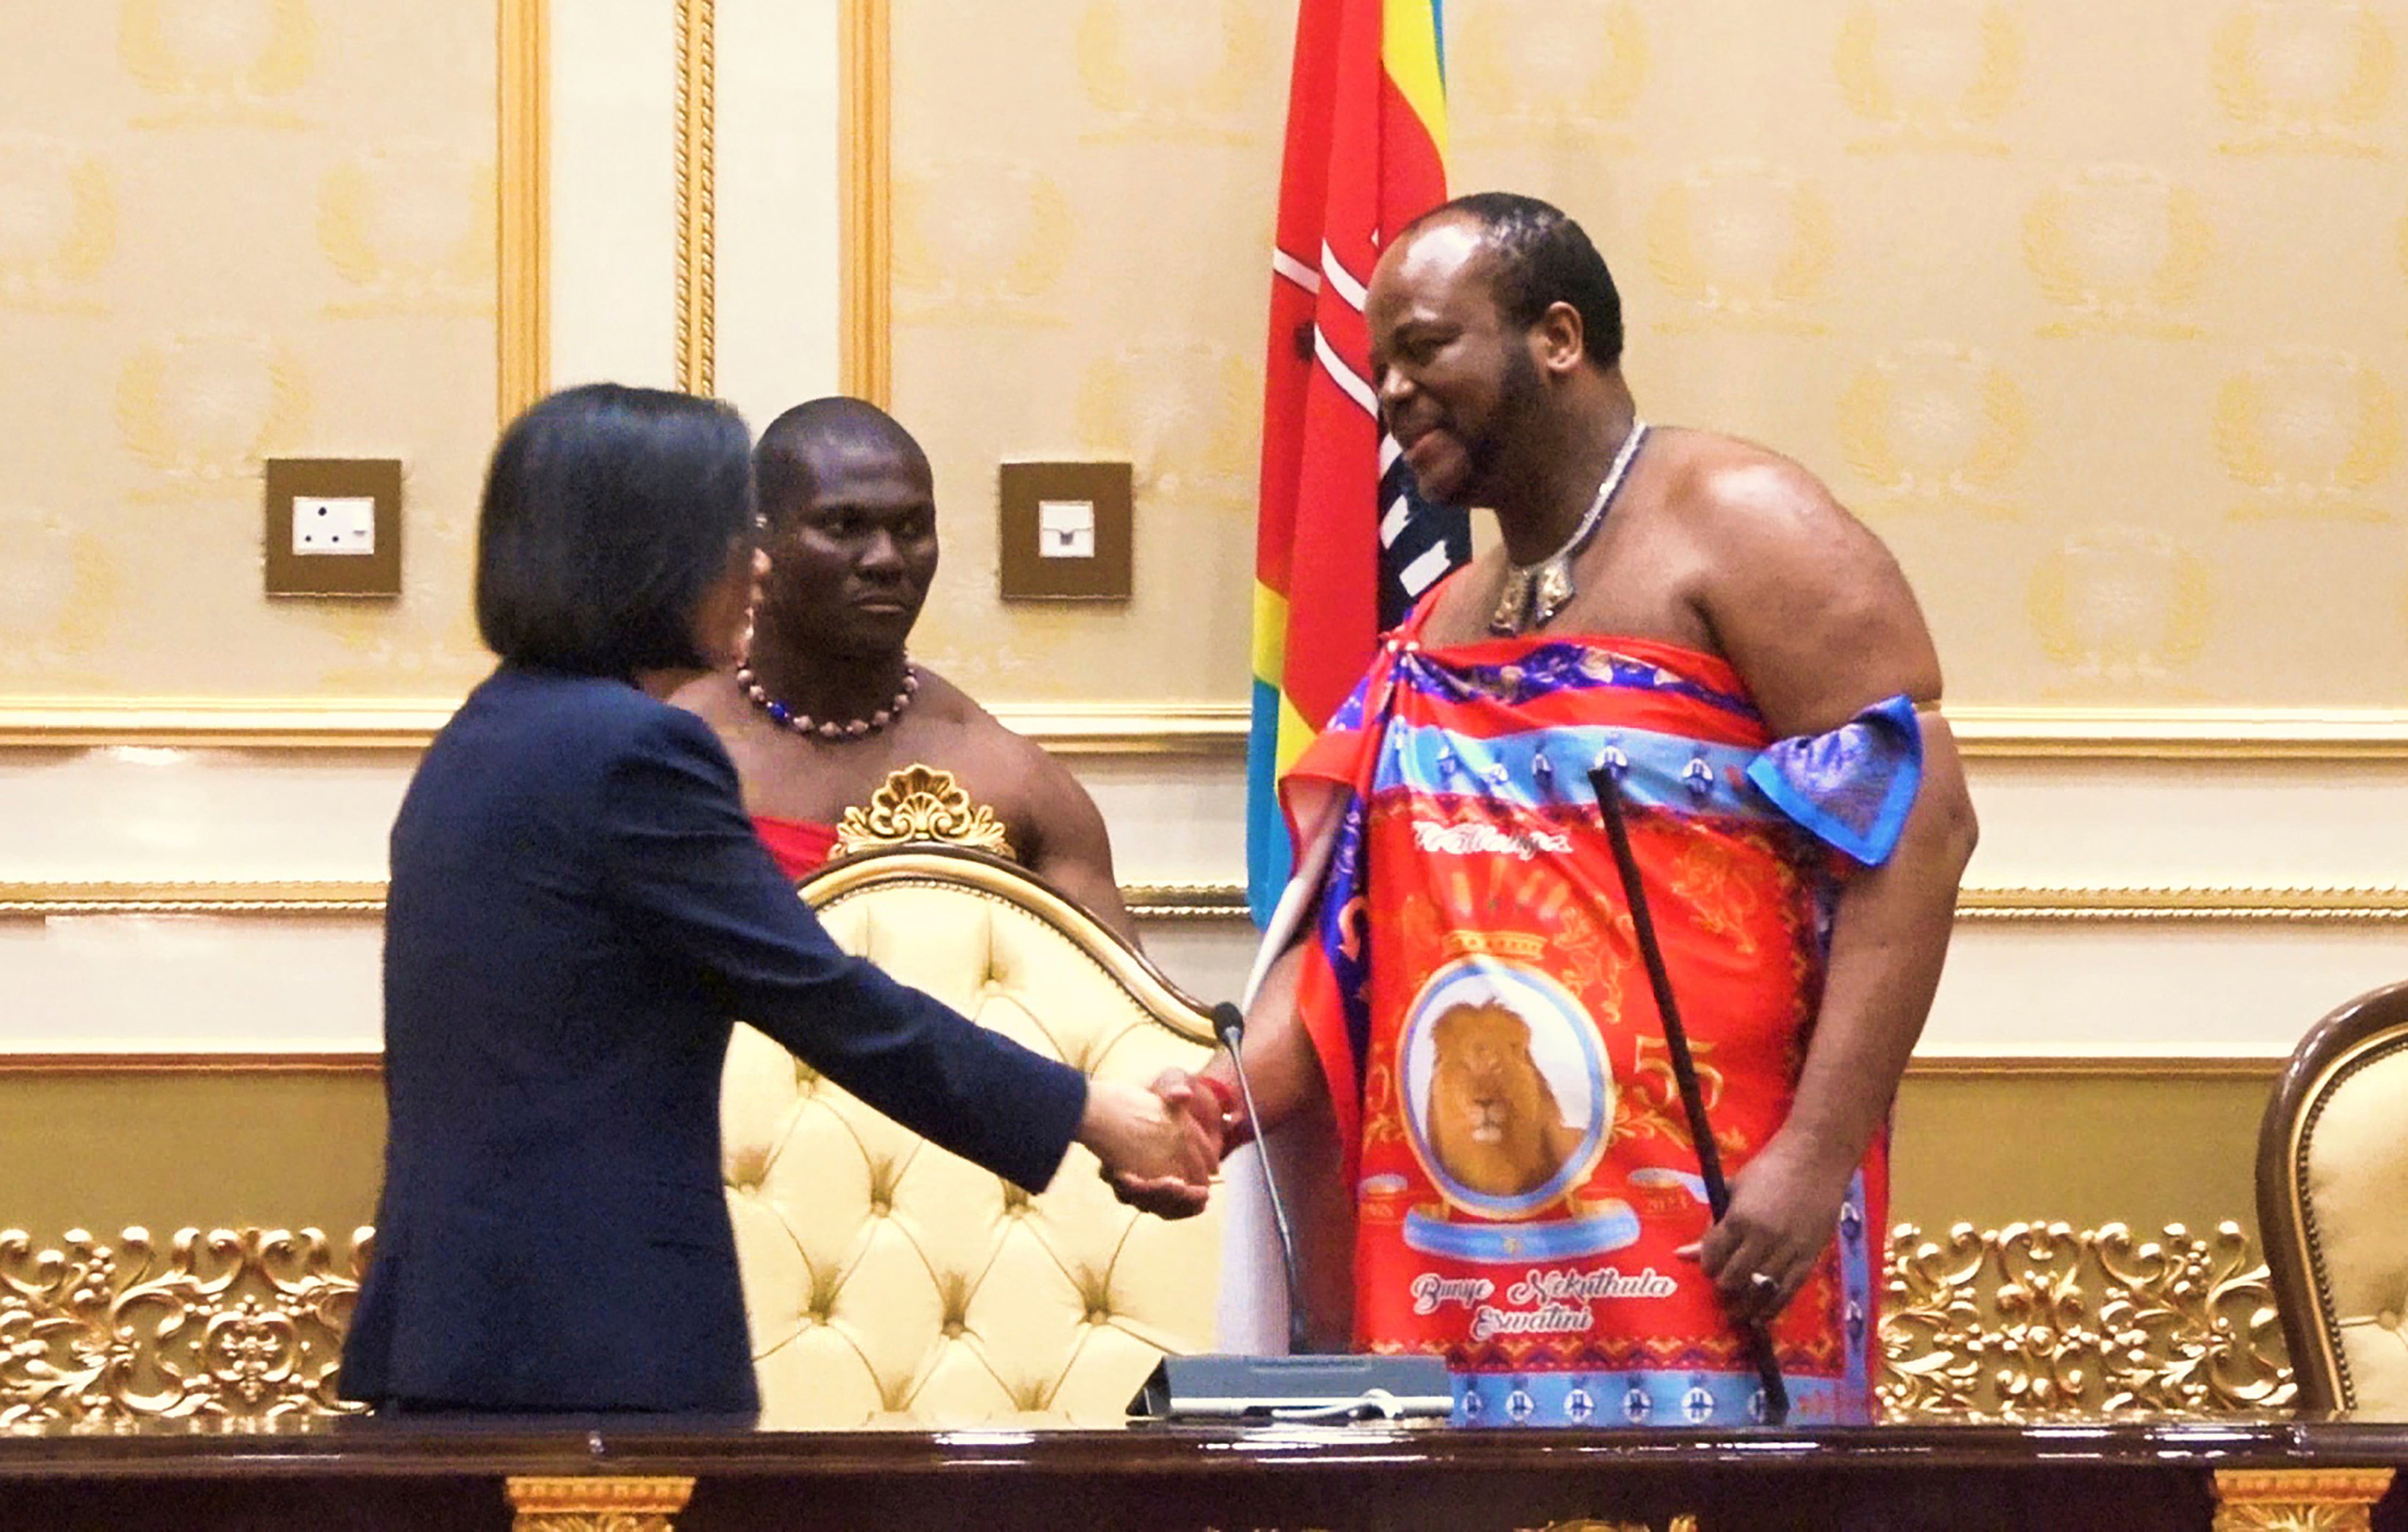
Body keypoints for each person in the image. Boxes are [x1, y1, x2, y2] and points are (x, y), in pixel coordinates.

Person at [1122, 193, 1978, 1428]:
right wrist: (1221, 1099)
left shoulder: (1745, 527)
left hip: (1709, 1239)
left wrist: (1813, 1155)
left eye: (1424, 347)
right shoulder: (1437, 625)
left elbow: (1918, 832)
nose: (1392, 391)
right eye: (1379, 364)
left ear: (1558, 337)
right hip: (1454, 1279)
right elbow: (1348, 954)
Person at [339, 384, 1211, 1417]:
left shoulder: (490, 731)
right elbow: (822, 993)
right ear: (645, 554)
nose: (750, 568)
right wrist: (1092, 1113)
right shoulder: (634, 750)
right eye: (726, 535)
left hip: (469, 1334)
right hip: (588, 1357)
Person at [675, 397, 1136, 939]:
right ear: (758, 544)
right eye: (843, 526)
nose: (887, 559)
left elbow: (1115, 992)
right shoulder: (675, 746)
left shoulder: (1015, 783)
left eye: (913, 528)